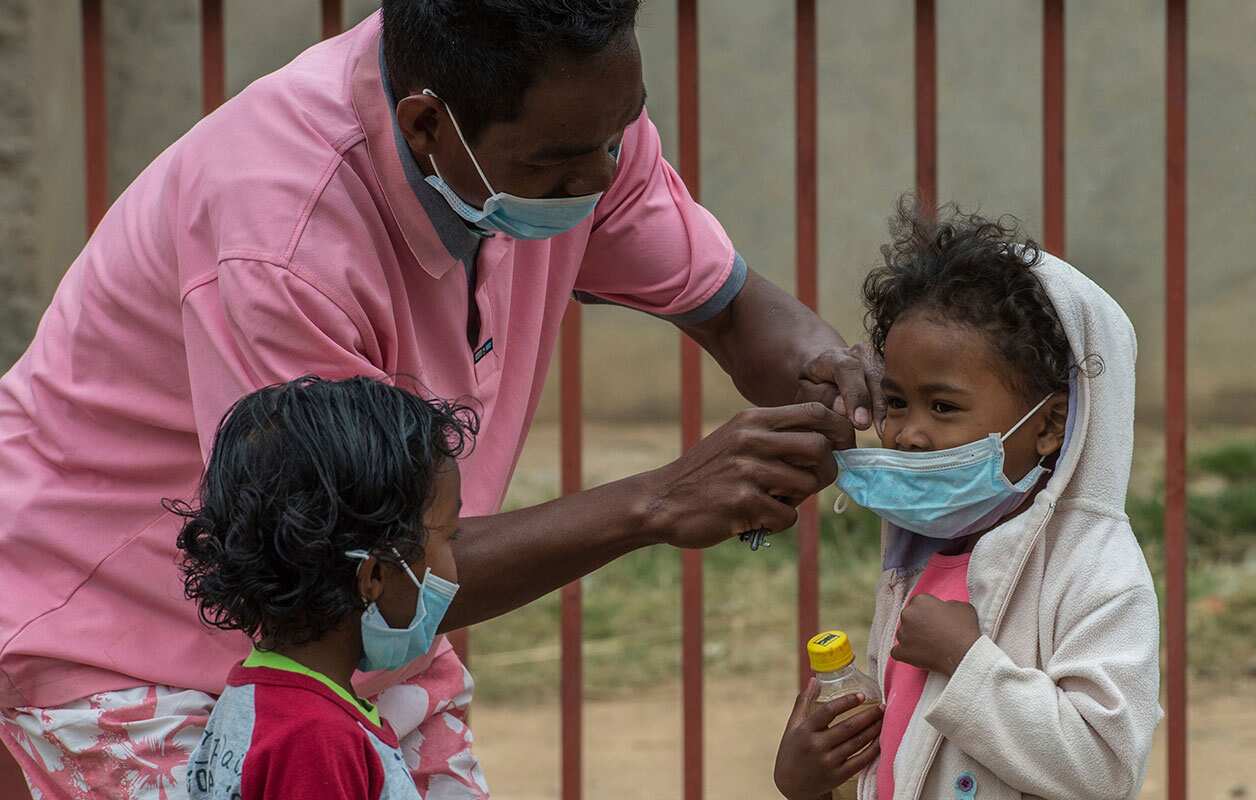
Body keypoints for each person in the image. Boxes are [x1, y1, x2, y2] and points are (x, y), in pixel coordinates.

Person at [0, 2, 882, 797]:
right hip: (129, 642)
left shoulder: (572, 128)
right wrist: (658, 500)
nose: (603, 175)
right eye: (562, 161)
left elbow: (729, 309)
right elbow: (345, 573)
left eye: (619, 135)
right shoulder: (282, 237)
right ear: (428, 126)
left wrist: (836, 378)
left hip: (365, 651)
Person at [774, 201, 1161, 800]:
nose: (909, 434)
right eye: (897, 403)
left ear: (1051, 422)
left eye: (944, 406)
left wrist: (967, 660)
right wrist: (812, 782)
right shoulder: (919, 556)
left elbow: (1104, 770)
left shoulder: (1098, 571)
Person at [174, 376, 475, 799]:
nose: (454, 563)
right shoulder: (316, 738)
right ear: (373, 576)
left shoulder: (263, 697)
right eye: (449, 538)